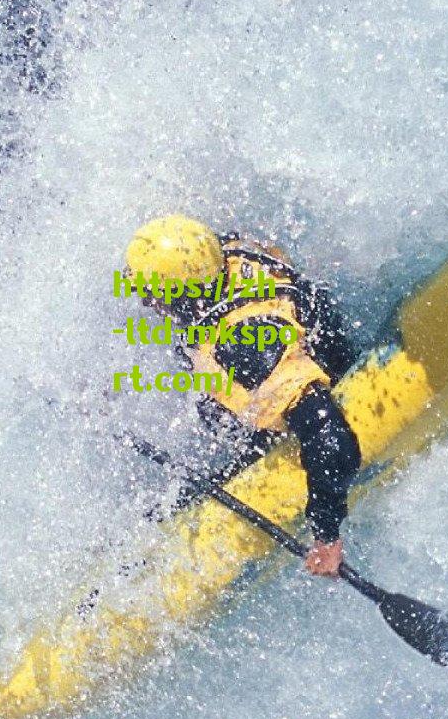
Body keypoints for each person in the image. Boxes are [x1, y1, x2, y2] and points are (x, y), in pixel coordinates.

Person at [122, 214, 362, 577]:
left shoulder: (247, 349)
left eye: (151, 296)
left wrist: (326, 536)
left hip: (306, 391)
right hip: (300, 342)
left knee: (183, 489)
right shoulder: (226, 250)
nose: (146, 304)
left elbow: (331, 438)